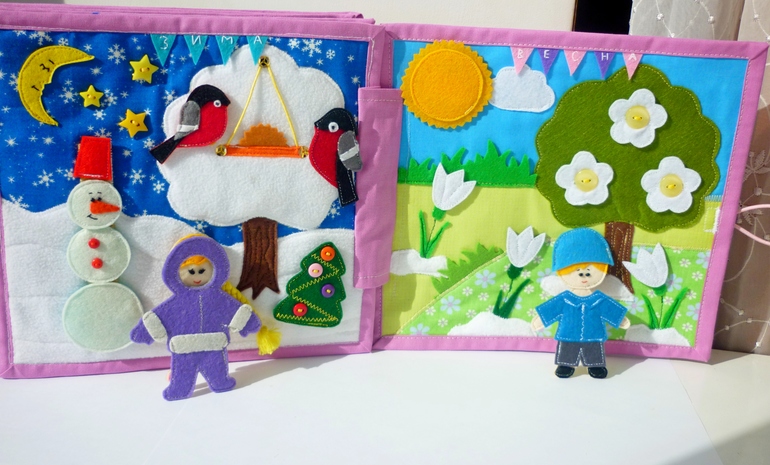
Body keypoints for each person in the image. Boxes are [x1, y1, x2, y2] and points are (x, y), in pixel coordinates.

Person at [130, 235, 261, 400]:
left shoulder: (219, 299)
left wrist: (249, 322)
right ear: (176, 272)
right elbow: (159, 317)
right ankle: (179, 389)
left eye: (202, 270)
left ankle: (220, 382)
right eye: (191, 272)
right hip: (185, 348)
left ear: (215, 270)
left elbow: (235, 311)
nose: (197, 277)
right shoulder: (176, 302)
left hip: (213, 346)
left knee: (217, 371)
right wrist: (144, 331)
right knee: (182, 374)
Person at [531, 228, 630, 379]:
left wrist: (620, 319)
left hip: (593, 335)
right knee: (567, 349)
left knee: (594, 350)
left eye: (589, 271)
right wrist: (540, 321)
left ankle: (595, 365)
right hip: (568, 335)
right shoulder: (564, 299)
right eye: (577, 270)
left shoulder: (598, 299)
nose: (583, 275)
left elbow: (609, 309)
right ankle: (565, 365)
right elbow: (551, 310)